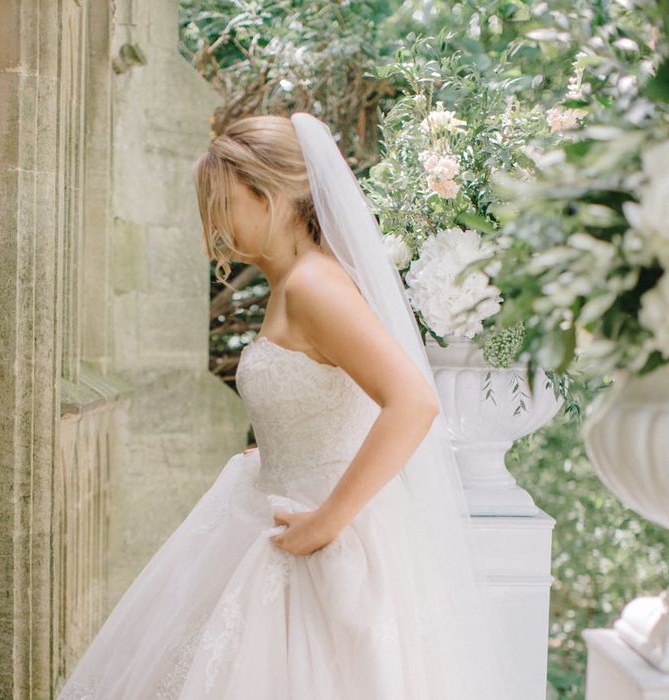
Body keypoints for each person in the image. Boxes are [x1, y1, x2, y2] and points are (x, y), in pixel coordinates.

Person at [56, 112, 510, 699]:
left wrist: (327, 520)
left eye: (224, 201)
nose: (213, 221)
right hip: (275, 500)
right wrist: (283, 437)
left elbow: (413, 403)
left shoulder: (312, 287)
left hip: (324, 538)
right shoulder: (293, 281)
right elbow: (327, 392)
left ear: (267, 196)